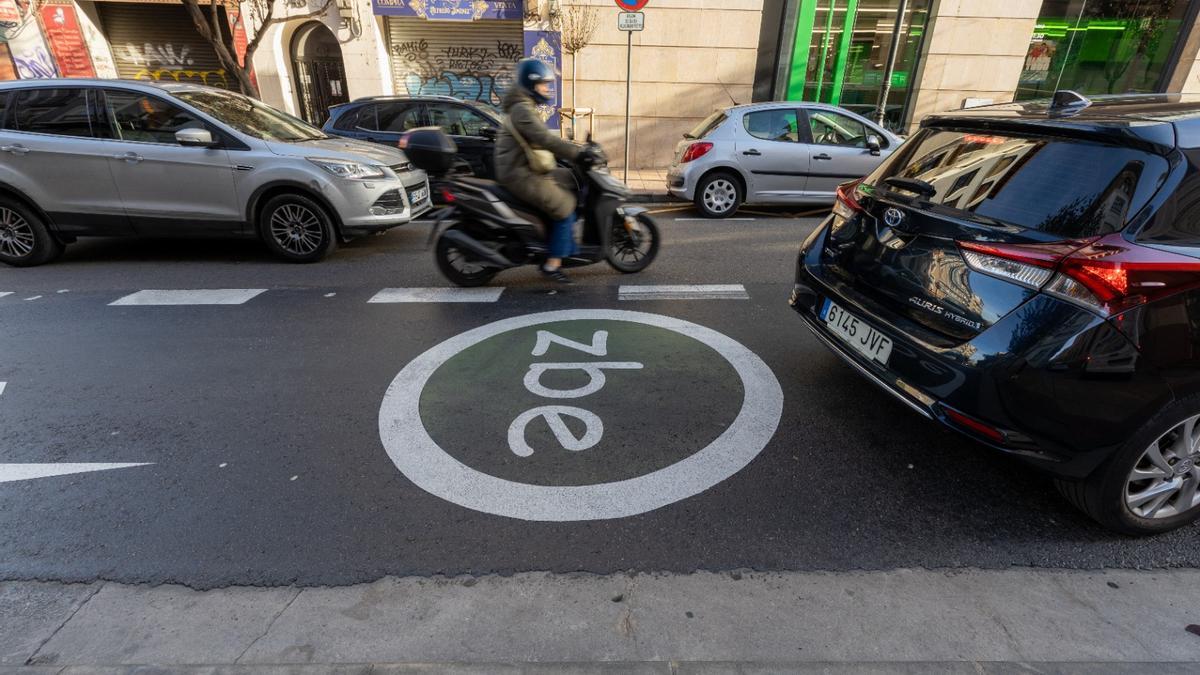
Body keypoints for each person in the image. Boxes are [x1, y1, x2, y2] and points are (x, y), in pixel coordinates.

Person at [495, 58, 588, 283]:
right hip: (519, 173)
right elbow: (544, 138)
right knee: (565, 207)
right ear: (531, 84)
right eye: (544, 84)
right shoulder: (522, 110)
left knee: (568, 182)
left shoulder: (524, 106)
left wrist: (572, 150)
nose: (548, 88)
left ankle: (561, 243)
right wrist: (578, 153)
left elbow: (539, 140)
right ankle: (552, 264)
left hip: (524, 166)